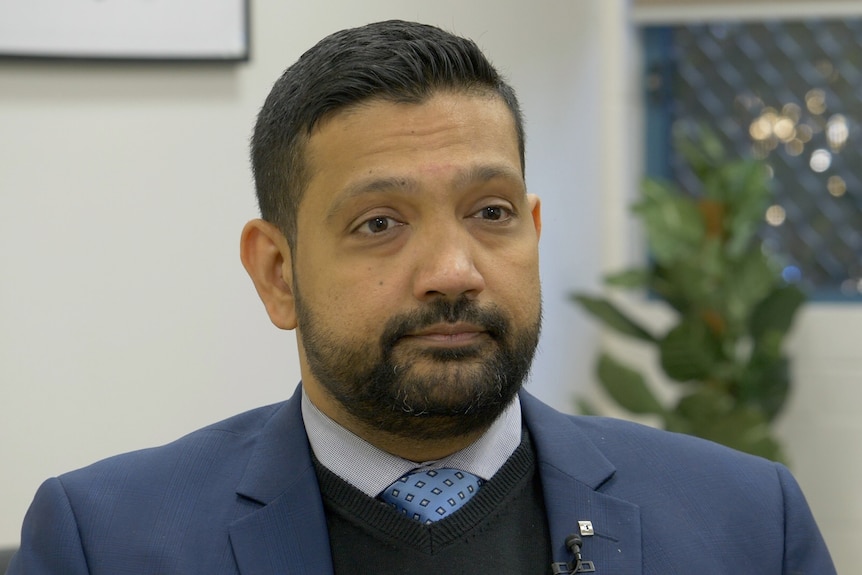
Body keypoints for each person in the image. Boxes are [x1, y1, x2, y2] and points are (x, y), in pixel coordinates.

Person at [8, 20, 835, 575]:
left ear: (535, 229)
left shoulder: (747, 525)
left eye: (491, 213)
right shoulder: (107, 540)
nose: (454, 269)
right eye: (379, 222)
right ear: (276, 271)